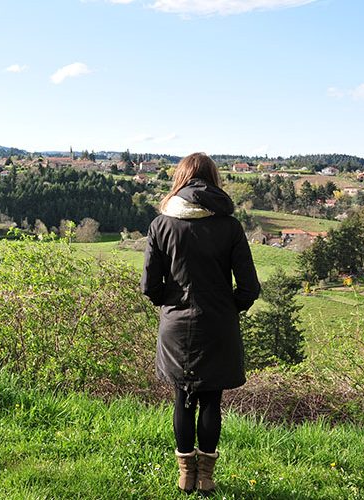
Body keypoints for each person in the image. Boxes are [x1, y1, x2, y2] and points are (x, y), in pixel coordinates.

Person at [140, 152, 261, 495]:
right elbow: (250, 287)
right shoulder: (230, 226)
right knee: (211, 400)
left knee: (182, 397)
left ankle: (184, 475)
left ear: (181, 179)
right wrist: (228, 307)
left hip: (176, 326)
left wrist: (171, 305)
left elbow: (150, 286)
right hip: (218, 325)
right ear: (213, 179)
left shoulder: (161, 224)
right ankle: (205, 477)